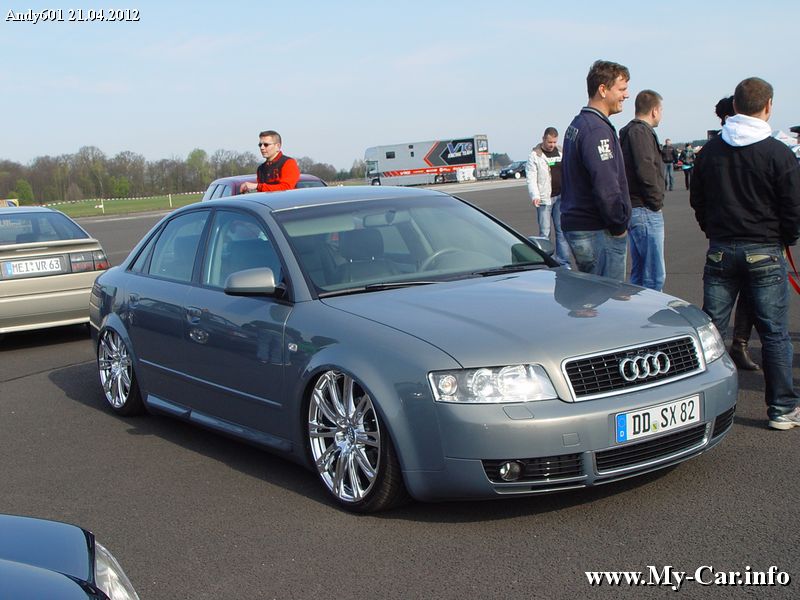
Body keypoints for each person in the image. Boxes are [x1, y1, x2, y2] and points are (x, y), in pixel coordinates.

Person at [690, 76, 800, 430]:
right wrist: (786, 238)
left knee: (710, 331)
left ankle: (700, 404)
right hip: (765, 250)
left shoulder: (709, 153)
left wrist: (713, 230)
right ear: (768, 107)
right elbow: (792, 207)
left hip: (721, 250)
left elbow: (698, 200)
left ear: (735, 106)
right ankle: (782, 408)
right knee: (774, 334)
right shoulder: (779, 154)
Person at [561, 60, 631, 281]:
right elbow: (606, 185)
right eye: (621, 89)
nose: (626, 95)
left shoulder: (579, 124)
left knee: (593, 295)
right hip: (598, 230)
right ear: (603, 89)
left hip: (582, 227)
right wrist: (619, 225)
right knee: (608, 296)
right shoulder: (596, 130)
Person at [714, 95, 759, 371]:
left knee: (744, 298)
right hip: (746, 238)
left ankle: (739, 345)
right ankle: (723, 352)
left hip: (729, 236)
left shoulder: (714, 149)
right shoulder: (718, 149)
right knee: (723, 305)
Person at [619, 90, 666, 291]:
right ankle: (652, 310)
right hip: (645, 209)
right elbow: (645, 168)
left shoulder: (630, 132)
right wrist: (656, 201)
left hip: (637, 208)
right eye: (661, 110)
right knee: (654, 276)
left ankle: (638, 308)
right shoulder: (640, 132)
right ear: (654, 110)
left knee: (640, 273)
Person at [526, 127, 571, 266]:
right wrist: (535, 195)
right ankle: (547, 263)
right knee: (545, 233)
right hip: (544, 198)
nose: (552, 145)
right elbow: (531, 178)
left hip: (561, 197)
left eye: (554, 142)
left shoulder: (561, 152)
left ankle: (564, 262)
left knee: (561, 231)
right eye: (550, 142)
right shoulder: (535, 155)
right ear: (543, 139)